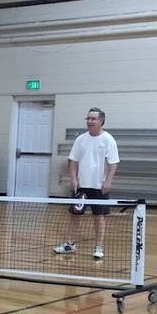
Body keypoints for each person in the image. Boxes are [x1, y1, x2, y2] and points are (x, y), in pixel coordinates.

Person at [54, 107, 119, 260]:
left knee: (99, 217)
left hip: (99, 187)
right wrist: (74, 179)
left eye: (93, 119)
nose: (89, 121)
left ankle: (98, 247)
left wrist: (108, 181)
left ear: (101, 121)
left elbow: (113, 163)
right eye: (88, 119)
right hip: (81, 186)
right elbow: (73, 161)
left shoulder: (108, 140)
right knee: (74, 216)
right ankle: (70, 244)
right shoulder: (80, 139)